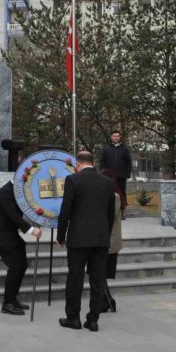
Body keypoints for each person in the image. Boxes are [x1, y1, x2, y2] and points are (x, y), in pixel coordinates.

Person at [57, 151, 116, 332]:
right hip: (100, 240)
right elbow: (110, 213)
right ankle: (93, 320)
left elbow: (65, 211)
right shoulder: (107, 182)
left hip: (78, 239)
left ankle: (73, 318)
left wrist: (61, 236)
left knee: (75, 279)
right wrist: (104, 234)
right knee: (97, 281)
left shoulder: (73, 180)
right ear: (92, 162)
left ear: (78, 163)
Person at [0, 180, 42, 315]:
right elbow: (13, 216)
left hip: (11, 235)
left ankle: (12, 298)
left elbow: (27, 207)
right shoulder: (4, 193)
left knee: (22, 265)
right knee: (15, 266)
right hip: (1, 237)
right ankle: (6, 303)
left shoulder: (17, 191)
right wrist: (31, 230)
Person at [99, 168, 124, 313]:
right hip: (106, 240)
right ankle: (106, 300)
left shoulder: (114, 197)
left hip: (109, 242)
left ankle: (108, 301)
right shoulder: (110, 195)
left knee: (99, 273)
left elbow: (108, 217)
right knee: (98, 273)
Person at [99, 130, 132, 216]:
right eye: (114, 136)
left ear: (120, 137)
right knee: (108, 194)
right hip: (109, 177)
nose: (116, 137)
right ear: (111, 137)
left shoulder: (124, 149)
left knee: (122, 194)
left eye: (117, 136)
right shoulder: (106, 148)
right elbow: (102, 162)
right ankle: (108, 212)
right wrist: (102, 173)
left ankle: (122, 213)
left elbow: (128, 162)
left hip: (121, 176)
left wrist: (128, 174)